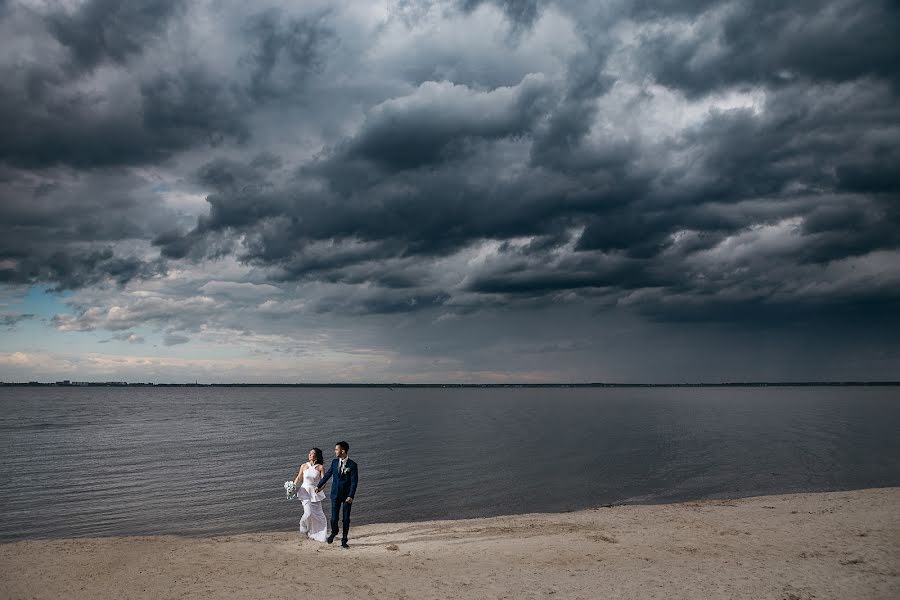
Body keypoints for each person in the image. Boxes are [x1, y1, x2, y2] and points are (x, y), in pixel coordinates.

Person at [315, 441, 358, 548]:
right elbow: (328, 475)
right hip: (335, 494)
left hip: (347, 496)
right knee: (334, 518)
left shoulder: (352, 465)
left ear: (342, 451)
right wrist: (318, 485)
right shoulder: (334, 462)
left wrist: (351, 496)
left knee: (346, 518)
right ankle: (334, 532)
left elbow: (354, 482)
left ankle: (344, 540)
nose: (335, 451)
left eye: (336, 449)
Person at [293, 448, 328, 542]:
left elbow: (324, 482)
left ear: (316, 456)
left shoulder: (320, 467)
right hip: (304, 492)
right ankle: (302, 524)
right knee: (308, 512)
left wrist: (320, 488)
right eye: (309, 453)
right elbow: (299, 477)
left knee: (318, 515)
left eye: (312, 453)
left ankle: (317, 533)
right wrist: (292, 486)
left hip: (315, 492)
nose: (309, 455)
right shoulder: (304, 466)